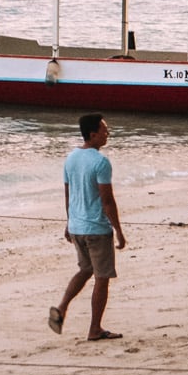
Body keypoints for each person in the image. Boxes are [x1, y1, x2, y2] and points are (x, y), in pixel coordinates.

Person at [48, 113, 127, 342]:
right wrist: (119, 231)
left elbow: (68, 193)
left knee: (85, 269)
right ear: (92, 135)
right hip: (96, 228)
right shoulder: (100, 162)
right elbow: (107, 201)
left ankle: (62, 307)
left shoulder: (71, 158)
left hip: (76, 226)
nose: (107, 133)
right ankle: (95, 328)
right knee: (102, 277)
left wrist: (68, 221)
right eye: (104, 130)